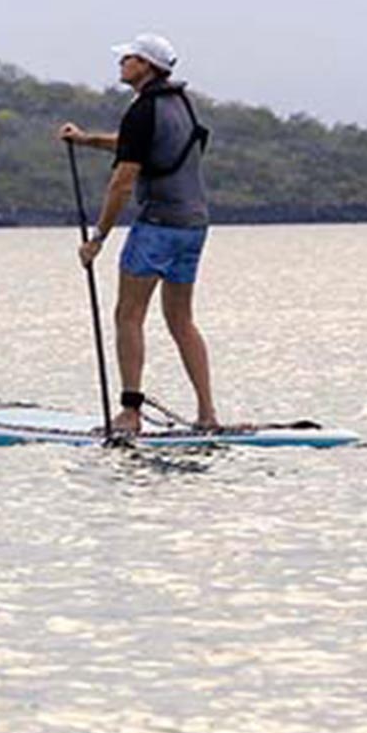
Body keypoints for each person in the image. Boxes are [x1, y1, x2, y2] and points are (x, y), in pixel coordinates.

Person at [57, 32, 216, 436]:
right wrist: (87, 139)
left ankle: (130, 413)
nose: (121, 63)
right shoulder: (180, 103)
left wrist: (98, 238)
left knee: (128, 315)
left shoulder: (143, 110)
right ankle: (207, 414)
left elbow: (123, 181)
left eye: (128, 58)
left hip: (158, 226)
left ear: (146, 65)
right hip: (194, 225)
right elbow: (138, 147)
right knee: (181, 319)